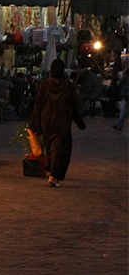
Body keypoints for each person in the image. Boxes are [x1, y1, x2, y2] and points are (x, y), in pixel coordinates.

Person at [30, 58, 87, 187]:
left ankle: (52, 174)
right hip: (62, 120)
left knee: (50, 147)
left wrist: (34, 123)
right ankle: (54, 176)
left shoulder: (44, 85)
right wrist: (80, 122)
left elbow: (38, 104)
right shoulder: (69, 86)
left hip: (47, 119)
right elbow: (74, 106)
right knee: (61, 149)